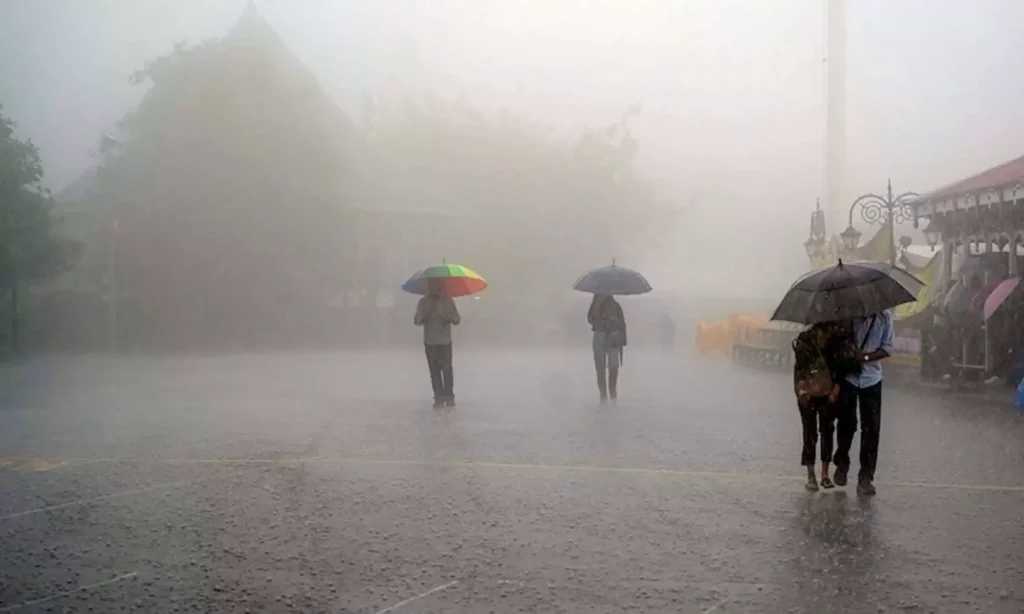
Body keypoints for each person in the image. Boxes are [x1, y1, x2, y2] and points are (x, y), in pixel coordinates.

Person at [833, 309, 894, 496]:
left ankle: (866, 476)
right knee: (847, 424)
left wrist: (866, 357)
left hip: (872, 379)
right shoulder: (848, 317)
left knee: (871, 429)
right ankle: (841, 462)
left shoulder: (885, 318)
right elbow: (838, 342)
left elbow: (887, 348)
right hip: (849, 377)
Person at [792, 321, 854, 491]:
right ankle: (811, 475)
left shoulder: (838, 340)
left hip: (828, 393)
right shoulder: (804, 341)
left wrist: (836, 387)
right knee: (809, 431)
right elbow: (800, 367)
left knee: (827, 430)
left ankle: (825, 474)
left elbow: (842, 367)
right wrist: (801, 388)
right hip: (808, 392)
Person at [414, 279, 460, 408]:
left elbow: (457, 319)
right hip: (430, 341)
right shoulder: (423, 303)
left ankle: (449, 396)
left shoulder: (448, 301)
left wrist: (449, 318)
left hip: (445, 341)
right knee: (434, 371)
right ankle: (438, 396)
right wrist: (425, 316)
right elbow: (417, 320)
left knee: (447, 370)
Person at [587, 293, 626, 403]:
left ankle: (612, 392)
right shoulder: (595, 305)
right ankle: (603, 393)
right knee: (600, 366)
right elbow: (590, 319)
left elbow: (622, 323)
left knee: (613, 366)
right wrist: (599, 317)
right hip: (600, 336)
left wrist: (612, 322)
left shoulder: (615, 306)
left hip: (612, 338)